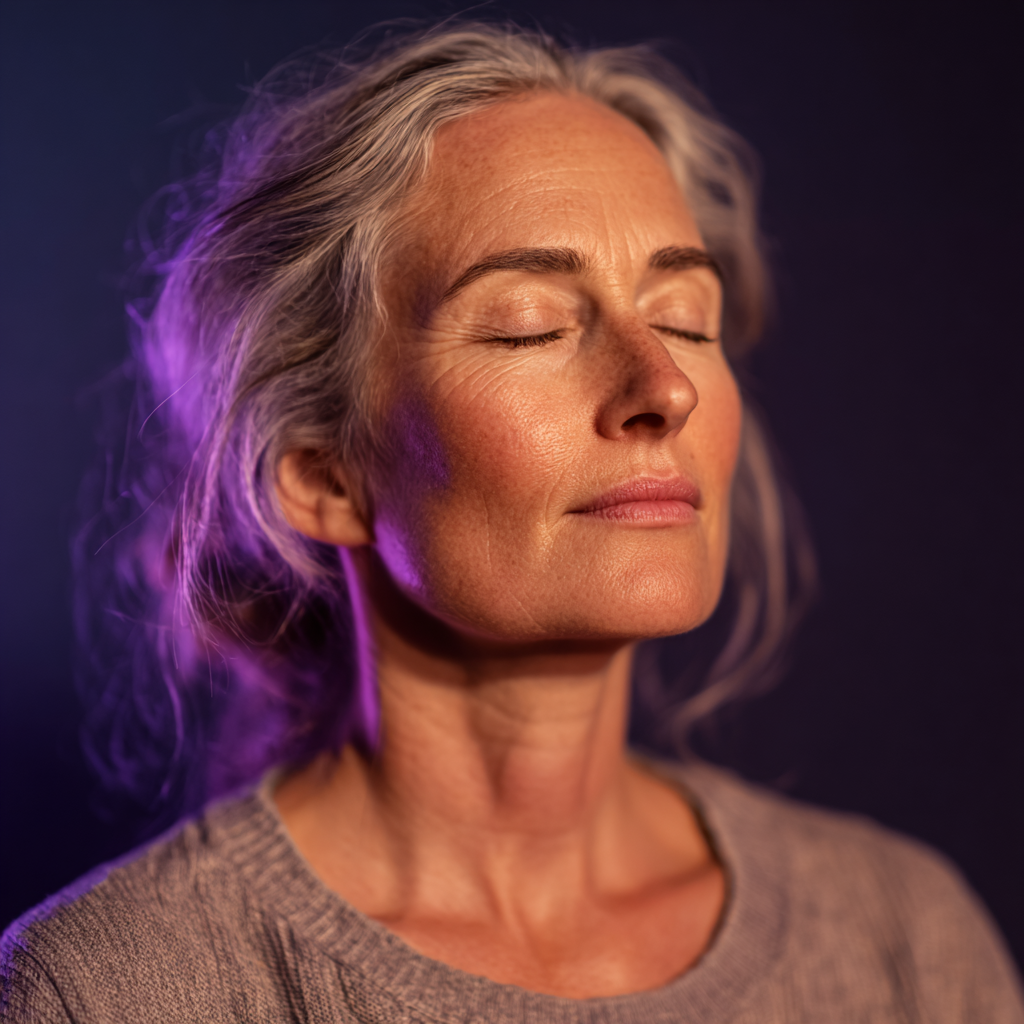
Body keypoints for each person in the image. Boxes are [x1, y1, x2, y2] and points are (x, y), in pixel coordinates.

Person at [2, 21, 1021, 1024]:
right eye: (531, 324)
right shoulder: (110, 991)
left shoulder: (904, 938)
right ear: (324, 477)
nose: (661, 386)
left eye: (682, 318)